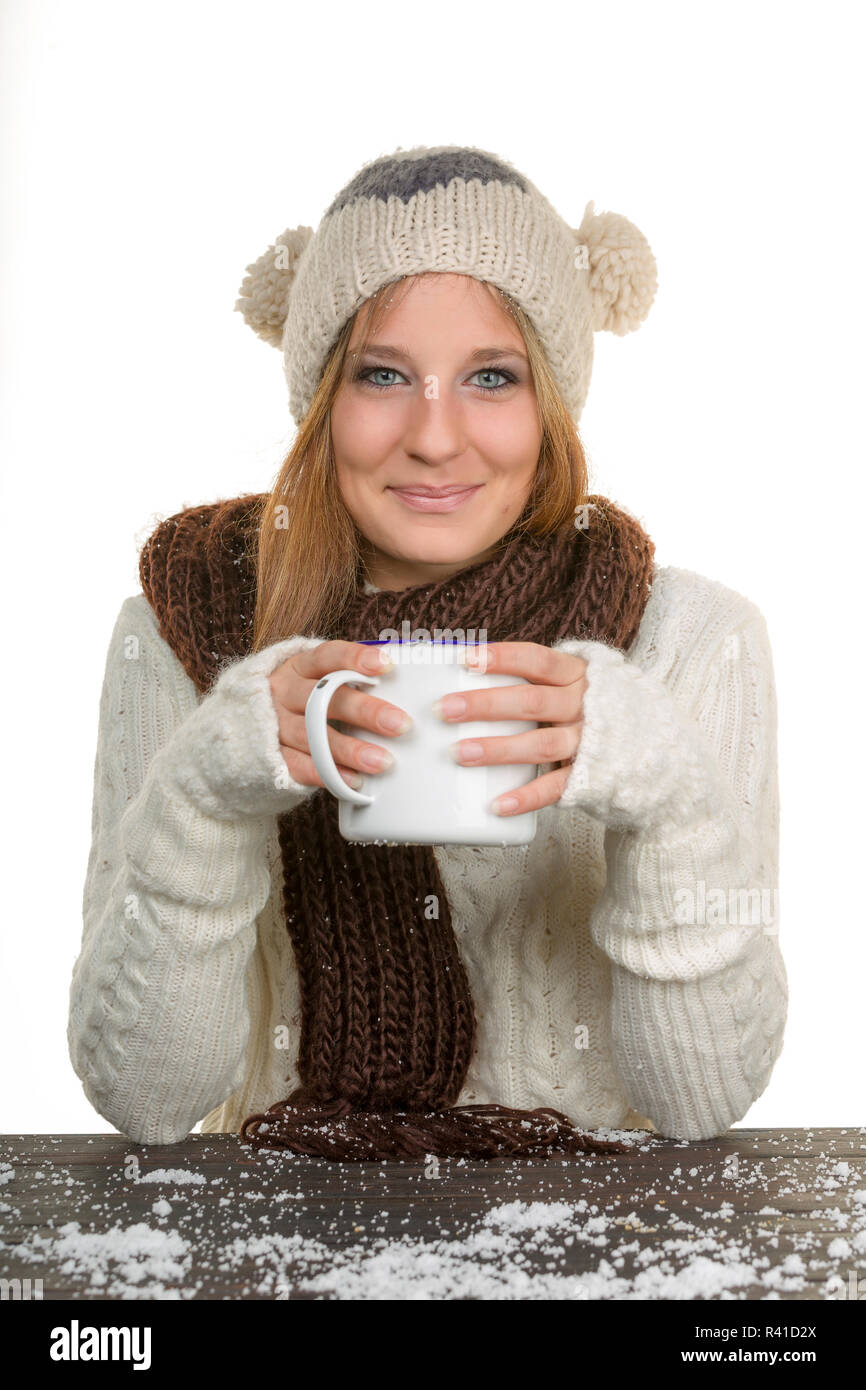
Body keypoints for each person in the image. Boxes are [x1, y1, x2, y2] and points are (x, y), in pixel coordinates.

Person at [67, 145, 787, 1160]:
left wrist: (663, 800)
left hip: (589, 1250)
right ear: (323, 402)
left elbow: (699, 1102)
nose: (436, 438)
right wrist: (201, 795)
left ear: (548, 402)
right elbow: (142, 1098)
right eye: (382, 375)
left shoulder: (691, 641)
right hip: (282, 1240)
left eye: (490, 376)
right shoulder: (183, 629)